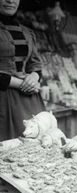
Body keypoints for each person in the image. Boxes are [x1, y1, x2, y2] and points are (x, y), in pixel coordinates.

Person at [0, 0, 46, 141]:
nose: (10, 0)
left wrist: (34, 77)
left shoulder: (26, 32)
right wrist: (23, 84)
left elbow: (35, 65)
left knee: (36, 149)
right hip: (3, 101)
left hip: (30, 101)